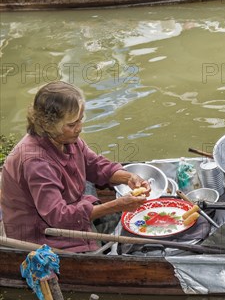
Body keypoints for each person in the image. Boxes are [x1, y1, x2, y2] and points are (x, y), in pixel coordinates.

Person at [1, 81, 150, 252]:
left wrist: (128, 177)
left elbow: (94, 164)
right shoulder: (36, 162)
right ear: (49, 125)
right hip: (42, 236)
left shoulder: (66, 138)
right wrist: (116, 205)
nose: (79, 128)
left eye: (80, 120)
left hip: (68, 213)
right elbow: (59, 217)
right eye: (72, 124)